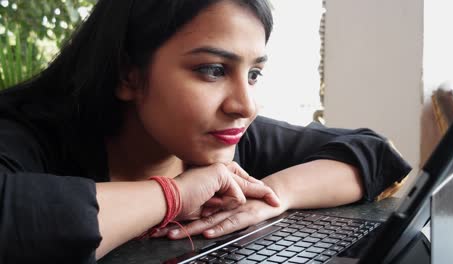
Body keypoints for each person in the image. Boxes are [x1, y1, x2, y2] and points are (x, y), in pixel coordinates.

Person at [0, 0, 412, 263]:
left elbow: (371, 153)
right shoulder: (28, 134)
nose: (245, 105)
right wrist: (175, 195)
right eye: (212, 70)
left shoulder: (222, 138)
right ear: (128, 74)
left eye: (253, 74)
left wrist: (273, 198)